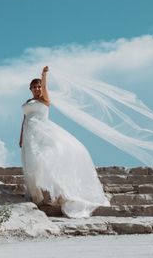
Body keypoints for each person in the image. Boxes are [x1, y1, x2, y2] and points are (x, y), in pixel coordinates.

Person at [19, 66, 109, 218]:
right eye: (34, 87)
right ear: (30, 89)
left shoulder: (45, 99)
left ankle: (57, 193)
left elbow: (46, 87)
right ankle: (37, 197)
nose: (37, 89)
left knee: (44, 160)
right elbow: (24, 119)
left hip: (42, 131)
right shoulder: (29, 101)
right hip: (29, 133)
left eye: (39, 86)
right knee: (30, 163)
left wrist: (44, 75)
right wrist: (21, 136)